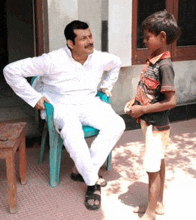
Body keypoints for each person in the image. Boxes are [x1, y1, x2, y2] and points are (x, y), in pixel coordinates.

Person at [3, 20, 125, 210]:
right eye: (83, 38)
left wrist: (106, 87)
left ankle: (81, 170)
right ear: (70, 43)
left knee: (117, 124)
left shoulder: (99, 58)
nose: (90, 41)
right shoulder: (52, 60)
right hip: (61, 105)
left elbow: (117, 63)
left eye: (90, 36)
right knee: (72, 130)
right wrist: (34, 98)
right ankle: (92, 183)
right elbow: (10, 71)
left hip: (88, 102)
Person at [124, 10, 180, 220]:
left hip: (157, 127)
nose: (145, 40)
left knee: (152, 168)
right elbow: (148, 89)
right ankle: (158, 203)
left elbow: (171, 101)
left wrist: (142, 110)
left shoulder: (165, 66)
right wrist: (134, 101)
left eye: (148, 37)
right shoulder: (153, 60)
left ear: (162, 37)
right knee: (159, 161)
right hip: (149, 123)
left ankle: (150, 213)